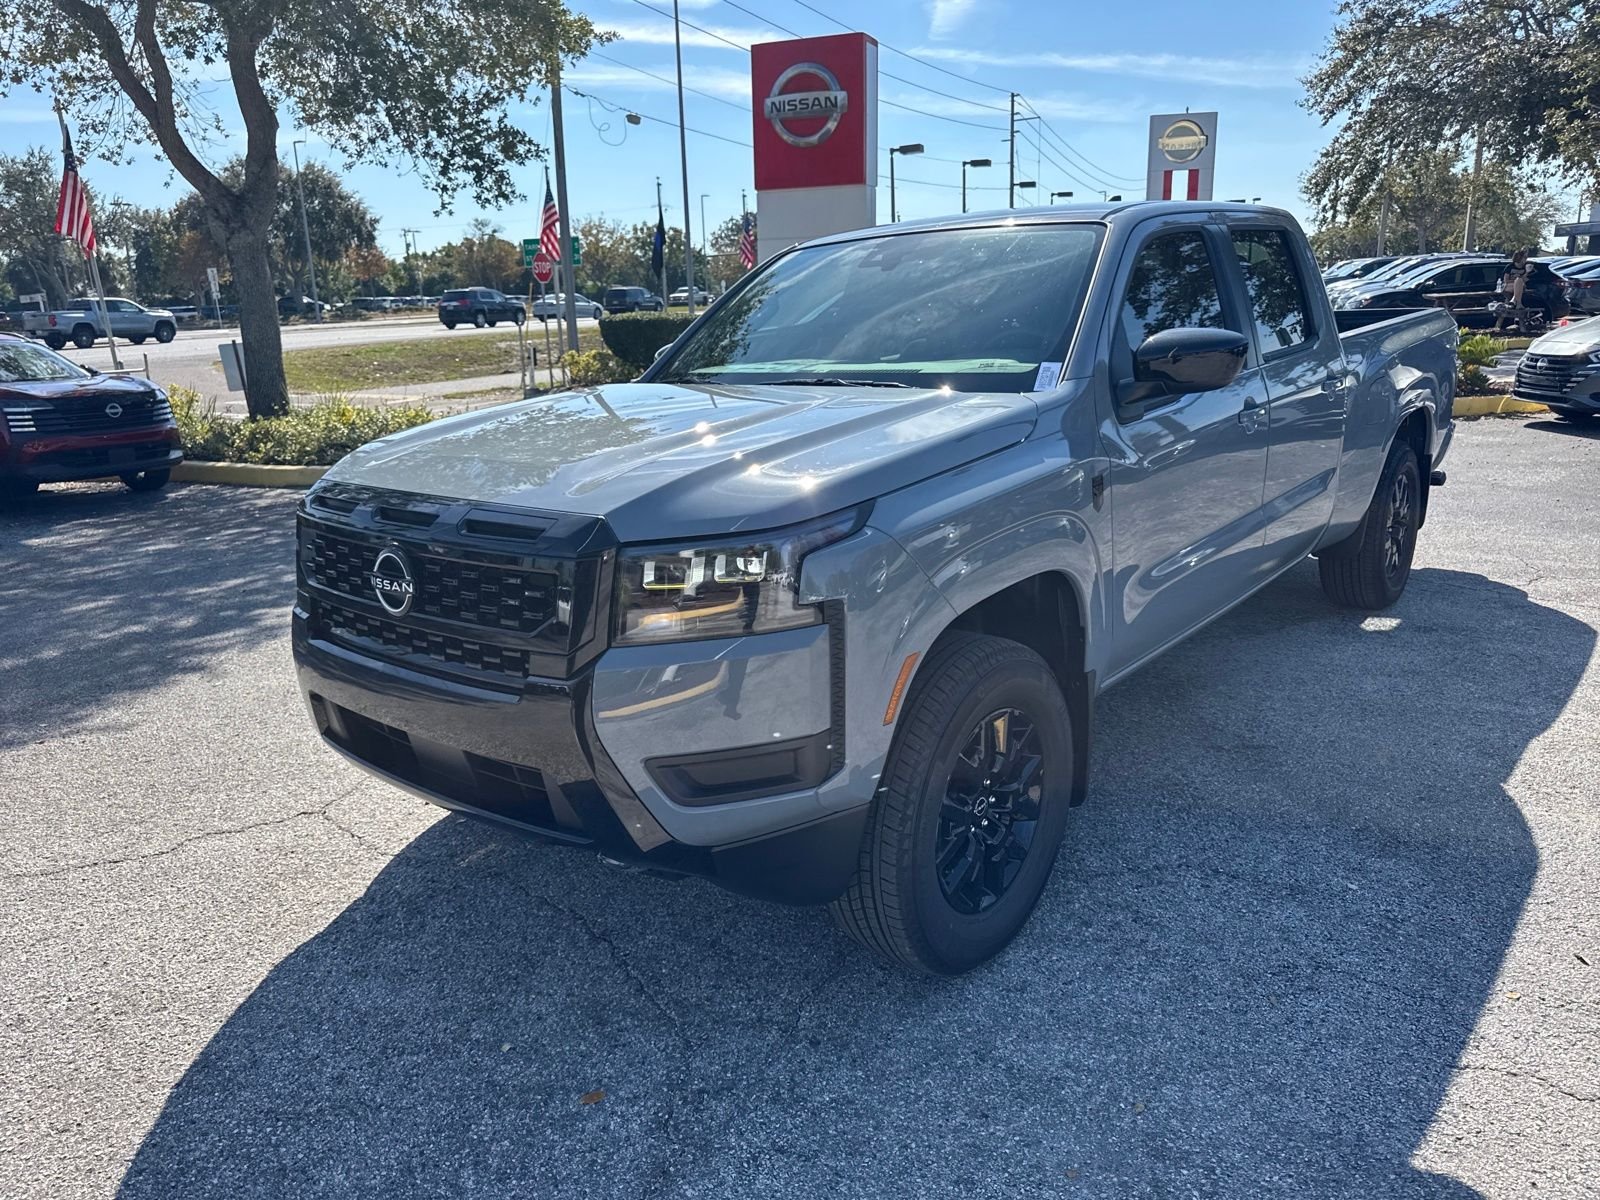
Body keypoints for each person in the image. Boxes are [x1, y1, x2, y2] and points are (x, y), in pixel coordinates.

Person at [1494, 249, 1529, 331]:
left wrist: (1527, 272)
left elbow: (1526, 279)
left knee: (1519, 281)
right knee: (1519, 281)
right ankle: (1518, 302)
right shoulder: (1510, 267)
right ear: (1519, 257)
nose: (1526, 259)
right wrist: (1517, 280)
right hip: (1508, 286)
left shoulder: (1525, 267)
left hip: (1520, 288)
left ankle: (1514, 300)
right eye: (1524, 257)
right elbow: (1506, 280)